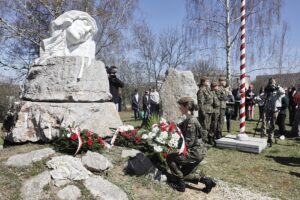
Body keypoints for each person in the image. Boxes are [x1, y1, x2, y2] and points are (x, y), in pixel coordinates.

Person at [167, 97, 216, 193]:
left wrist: (173, 146)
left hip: (194, 153)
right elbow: (179, 126)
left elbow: (189, 142)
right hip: (198, 152)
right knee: (184, 174)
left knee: (169, 157)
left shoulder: (191, 122)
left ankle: (180, 185)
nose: (179, 108)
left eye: (180, 106)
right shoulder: (190, 119)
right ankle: (208, 181)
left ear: (186, 107)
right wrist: (168, 125)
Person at [263, 78, 280, 146]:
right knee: (265, 122)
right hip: (268, 108)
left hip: (275, 109)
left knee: (272, 124)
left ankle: (270, 138)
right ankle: (265, 136)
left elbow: (283, 92)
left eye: (273, 82)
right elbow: (264, 95)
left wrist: (277, 86)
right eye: (271, 82)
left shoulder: (277, 88)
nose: (272, 83)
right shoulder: (267, 88)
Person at [197, 76, 213, 144]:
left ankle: (206, 141)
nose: (208, 82)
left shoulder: (207, 90)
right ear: (203, 82)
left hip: (209, 110)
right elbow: (200, 103)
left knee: (208, 127)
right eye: (207, 81)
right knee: (204, 127)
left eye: (208, 81)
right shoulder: (201, 90)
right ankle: (203, 142)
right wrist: (203, 112)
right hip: (205, 111)